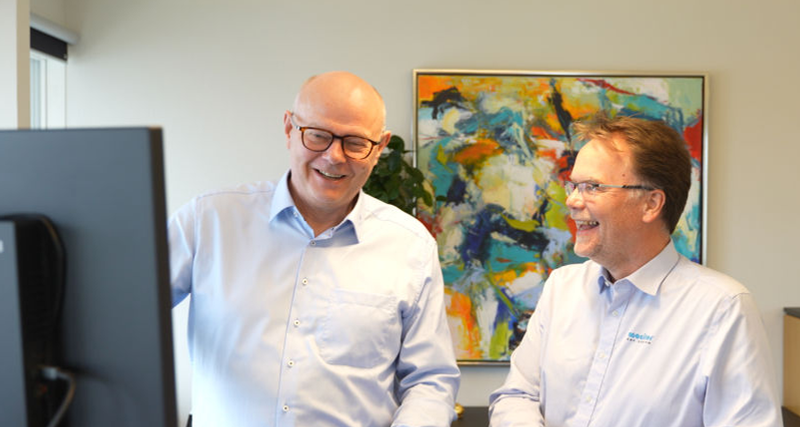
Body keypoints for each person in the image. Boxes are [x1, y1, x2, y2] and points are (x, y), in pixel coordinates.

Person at [169, 71, 460, 427]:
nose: (334, 157)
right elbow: (121, 315)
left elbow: (430, 381)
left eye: (354, 143)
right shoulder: (208, 221)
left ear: (379, 148)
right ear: (290, 129)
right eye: (318, 136)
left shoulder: (410, 246)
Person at [488, 115, 781, 426]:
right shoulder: (562, 287)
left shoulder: (722, 309)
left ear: (651, 204)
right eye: (573, 185)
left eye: (592, 187)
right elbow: (517, 395)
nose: (572, 200)